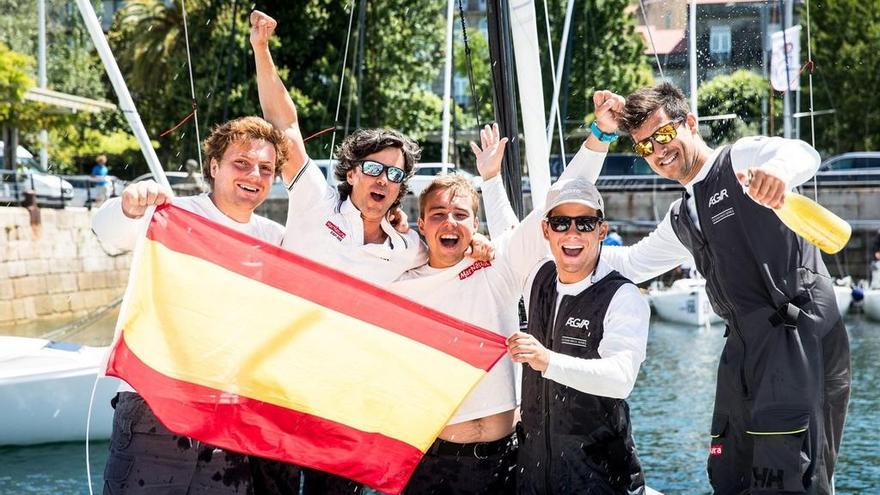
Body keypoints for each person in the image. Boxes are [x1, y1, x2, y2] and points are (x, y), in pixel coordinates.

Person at [249, 10, 492, 493]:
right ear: (352, 172)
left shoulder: (407, 247)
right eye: (374, 169)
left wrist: (479, 244)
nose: (385, 180)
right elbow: (285, 124)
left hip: (343, 403)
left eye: (396, 174)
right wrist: (261, 49)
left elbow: (449, 246)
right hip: (278, 390)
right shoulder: (315, 201)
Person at [602, 82, 849, 494]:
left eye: (663, 135)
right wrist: (559, 242)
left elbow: (802, 153)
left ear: (690, 124)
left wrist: (778, 176)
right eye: (645, 147)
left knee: (792, 479)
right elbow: (630, 263)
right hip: (741, 354)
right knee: (729, 473)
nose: (657, 151)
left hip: (799, 342)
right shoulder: (681, 216)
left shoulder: (739, 160)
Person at [389, 105, 614, 493]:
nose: (450, 222)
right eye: (438, 214)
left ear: (474, 225)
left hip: (507, 460)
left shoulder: (498, 267)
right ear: (422, 224)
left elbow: (557, 202)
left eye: (460, 214)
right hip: (433, 462)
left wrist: (600, 135)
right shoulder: (398, 282)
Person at [91, 116, 300, 495]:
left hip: (229, 419)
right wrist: (128, 207)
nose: (254, 174)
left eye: (266, 168)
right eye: (242, 163)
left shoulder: (278, 241)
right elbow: (107, 235)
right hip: (153, 408)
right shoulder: (172, 213)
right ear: (215, 166)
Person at [506, 176, 649, 494]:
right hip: (533, 479)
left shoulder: (622, 297)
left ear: (602, 230)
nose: (572, 233)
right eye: (560, 222)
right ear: (546, 230)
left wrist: (547, 360)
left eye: (584, 223)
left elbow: (621, 378)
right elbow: (506, 242)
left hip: (598, 481)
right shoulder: (538, 277)